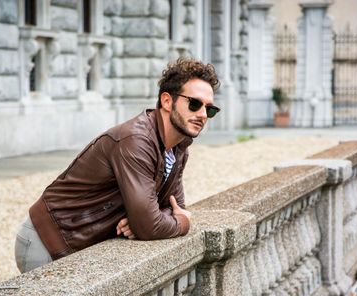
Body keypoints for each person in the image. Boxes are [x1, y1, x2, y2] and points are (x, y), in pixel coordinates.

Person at [14, 57, 221, 273]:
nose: (203, 115)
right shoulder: (136, 141)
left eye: (210, 109)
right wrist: (180, 224)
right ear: (167, 101)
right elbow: (155, 223)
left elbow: (174, 207)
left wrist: (144, 219)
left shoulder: (178, 148)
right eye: (194, 104)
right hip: (47, 241)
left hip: (81, 244)